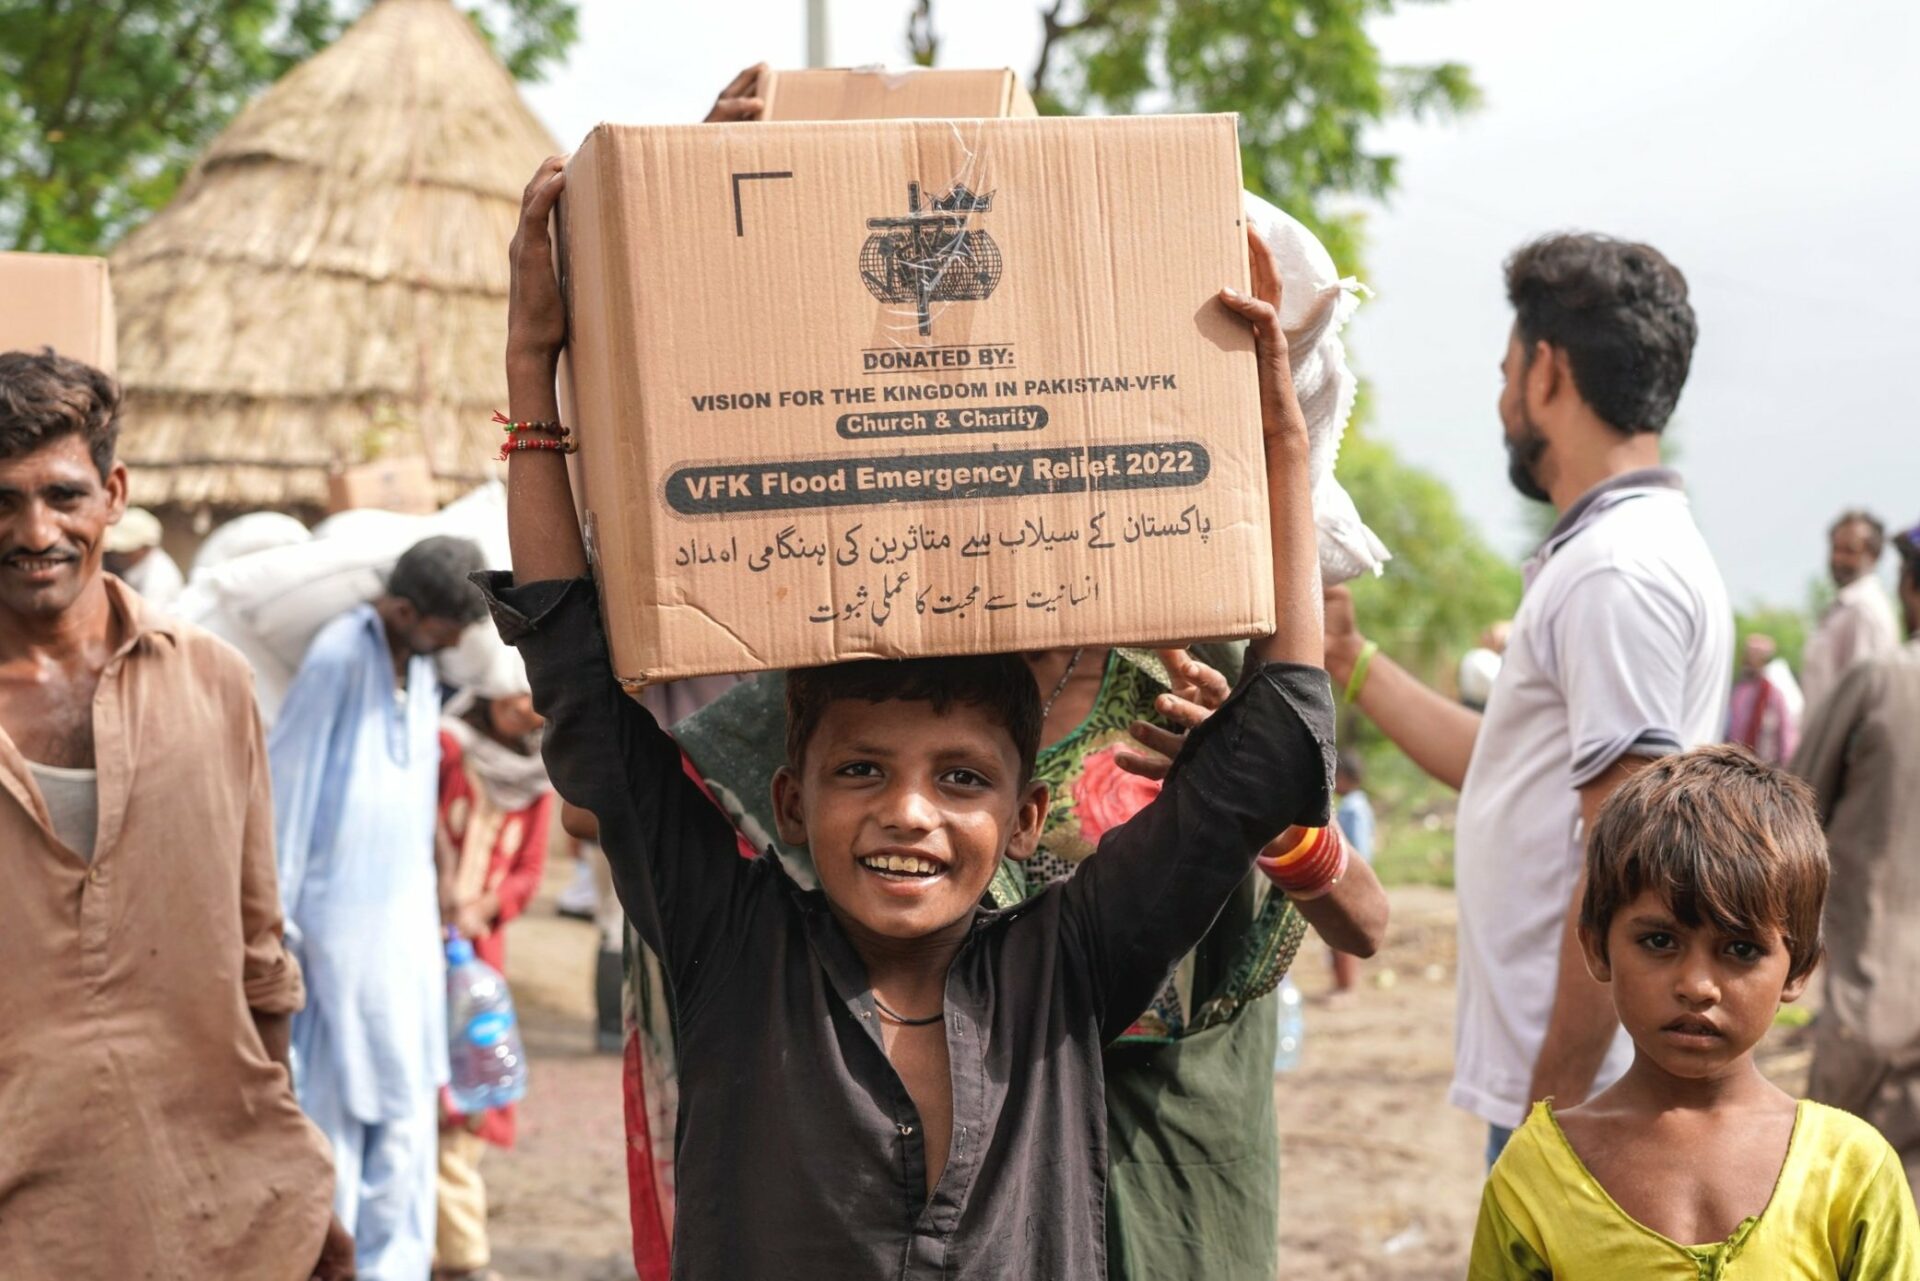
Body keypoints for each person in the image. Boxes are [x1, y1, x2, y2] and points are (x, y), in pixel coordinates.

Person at [487, 154, 1335, 1276]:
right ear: (788, 799)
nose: (910, 814)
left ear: (1028, 818)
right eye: (860, 772)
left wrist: (1275, 449)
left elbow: (1272, 744)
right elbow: (582, 691)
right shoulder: (730, 943)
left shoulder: (1068, 966)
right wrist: (532, 374)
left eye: (962, 780)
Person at [1324, 234, 1732, 1165]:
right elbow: (1507, 768)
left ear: (1547, 371)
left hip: (1586, 1096)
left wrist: (1555, 1105)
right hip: (1581, 1083)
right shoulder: (1607, 557)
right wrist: (1354, 661)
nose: (1503, 400)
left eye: (1509, 372)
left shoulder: (1613, 572)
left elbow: (1626, 860)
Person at [0, 349, 351, 1279]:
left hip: (218, 1206)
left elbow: (259, 955)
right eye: (2, 501)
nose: (35, 530)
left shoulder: (212, 680)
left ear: (112, 494)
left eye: (62, 495)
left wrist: (294, 1171)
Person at [1470, 746, 1920, 1275]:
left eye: (1741, 950)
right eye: (1660, 941)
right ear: (1597, 949)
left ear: (1798, 970)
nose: (1697, 986)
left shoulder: (1851, 1172)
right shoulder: (1537, 1175)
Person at [271, 532, 490, 1281]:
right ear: (401, 609)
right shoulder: (338, 655)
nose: (452, 644)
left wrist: (446, 876)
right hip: (332, 938)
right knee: (334, 1120)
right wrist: (277, 928)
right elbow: (287, 792)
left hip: (405, 939)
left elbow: (415, 791)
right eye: (444, 628)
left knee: (405, 1119)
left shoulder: (423, 670)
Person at [1797, 521, 1920, 1198]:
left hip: (1869, 1001)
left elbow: (1793, 808)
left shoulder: (1880, 681)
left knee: (1834, 1194)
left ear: (1908, 586)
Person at [433, 649, 554, 1281]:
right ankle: (457, 1257)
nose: (527, 711)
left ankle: (452, 1252)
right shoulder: (445, 751)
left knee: (462, 1105)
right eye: (513, 699)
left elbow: (529, 873)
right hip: (418, 948)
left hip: (479, 963)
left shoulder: (536, 774)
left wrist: (485, 906)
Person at [1801, 510, 1901, 713]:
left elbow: (1862, 699)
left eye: (1849, 551)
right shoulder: (1845, 606)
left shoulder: (1864, 609)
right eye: (1835, 549)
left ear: (1873, 555)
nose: (1838, 559)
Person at [1329, 749, 1377, 996]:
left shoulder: (1351, 808)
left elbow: (1357, 847)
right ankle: (1342, 984)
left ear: (1346, 777)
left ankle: (1345, 987)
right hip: (1351, 876)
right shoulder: (1360, 804)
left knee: (1342, 933)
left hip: (1348, 877)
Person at [1725, 632, 1803, 766]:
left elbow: (1786, 734)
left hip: (1763, 766)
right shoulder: (1739, 690)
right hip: (1736, 762)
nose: (1751, 660)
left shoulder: (1774, 693)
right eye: (1749, 655)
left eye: (1756, 656)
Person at [101, 504, 184, 606]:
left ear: (145, 547)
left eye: (125, 551)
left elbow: (146, 619)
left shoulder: (159, 579)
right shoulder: (138, 569)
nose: (117, 555)